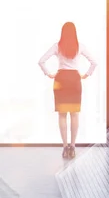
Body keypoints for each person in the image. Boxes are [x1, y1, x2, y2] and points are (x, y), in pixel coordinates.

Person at [38, 22, 97, 159]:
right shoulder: (80, 46)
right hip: (75, 80)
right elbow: (94, 62)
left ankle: (65, 147)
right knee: (75, 115)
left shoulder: (57, 46)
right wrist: (86, 74)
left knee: (62, 115)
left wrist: (48, 73)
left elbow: (41, 61)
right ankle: (73, 147)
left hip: (61, 79)